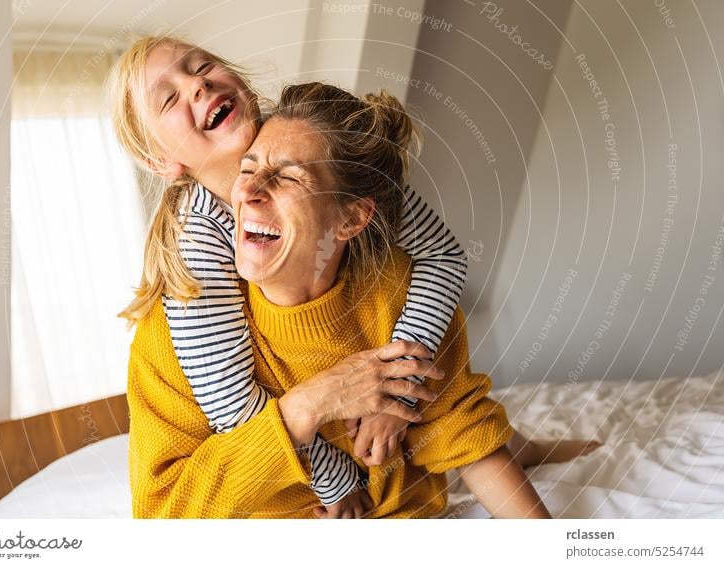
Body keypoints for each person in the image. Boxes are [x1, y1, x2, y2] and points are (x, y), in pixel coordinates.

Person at [112, 36, 600, 518]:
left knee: (442, 381)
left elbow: (442, 257)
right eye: (169, 97)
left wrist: (398, 390)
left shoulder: (330, 161)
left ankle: (519, 446)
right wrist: (334, 477)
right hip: (283, 453)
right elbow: (230, 400)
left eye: (202, 67)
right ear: (160, 162)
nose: (196, 86)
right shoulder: (196, 256)